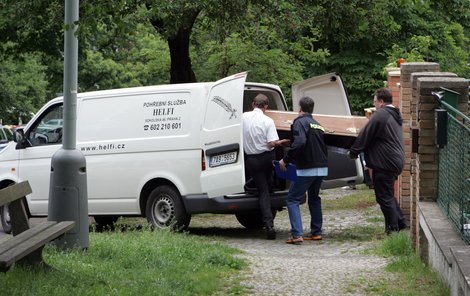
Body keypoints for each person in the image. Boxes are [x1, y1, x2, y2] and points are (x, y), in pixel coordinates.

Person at [348, 88, 408, 234]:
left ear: (381, 102)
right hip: (394, 160)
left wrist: (354, 151)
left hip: (385, 162)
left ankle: (392, 230)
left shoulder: (381, 114)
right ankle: (400, 221)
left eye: (375, 102)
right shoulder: (393, 114)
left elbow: (366, 133)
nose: (374, 105)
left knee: (383, 197)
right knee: (387, 194)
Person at [279, 96, 328, 244]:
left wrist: (285, 160)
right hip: (321, 168)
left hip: (307, 168)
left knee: (292, 199)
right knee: (314, 198)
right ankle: (316, 232)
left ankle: (297, 234)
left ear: (300, 109)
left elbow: (301, 142)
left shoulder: (299, 122)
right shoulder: (317, 124)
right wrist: (293, 142)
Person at [243, 93, 288, 240]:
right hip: (266, 158)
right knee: (265, 190)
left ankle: (249, 185)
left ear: (253, 104)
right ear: (266, 107)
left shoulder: (243, 118)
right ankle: (269, 225)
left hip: (251, 160)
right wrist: (281, 142)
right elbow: (270, 143)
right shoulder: (268, 121)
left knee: (261, 187)